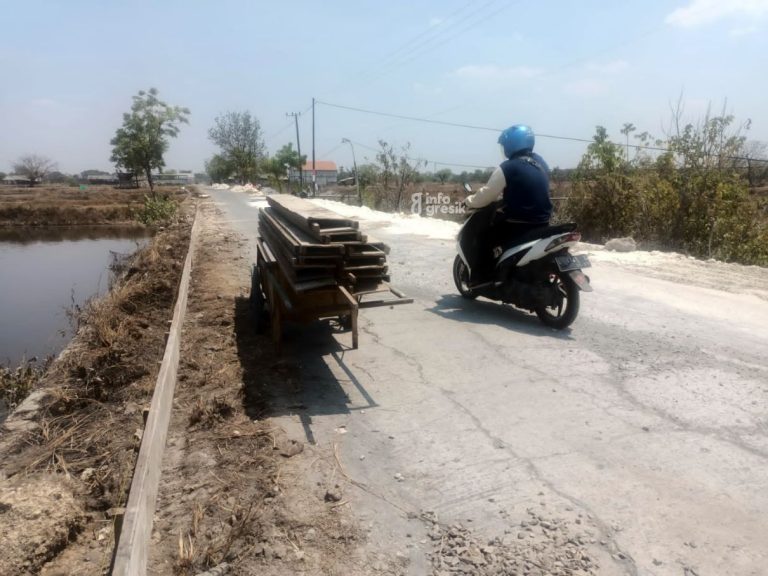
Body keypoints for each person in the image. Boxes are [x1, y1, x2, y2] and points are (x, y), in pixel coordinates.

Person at [464, 124, 552, 283]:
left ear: (511, 144)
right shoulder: (540, 162)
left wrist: (469, 201)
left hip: (518, 225)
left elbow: (487, 194)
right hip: (543, 222)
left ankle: (481, 278)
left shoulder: (509, 167)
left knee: (484, 237)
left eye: (505, 145)